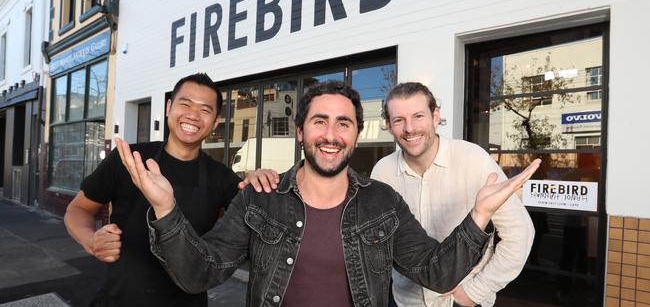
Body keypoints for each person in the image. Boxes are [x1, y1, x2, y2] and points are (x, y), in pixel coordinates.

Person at [115, 81, 540, 307]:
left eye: (344, 124)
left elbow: (436, 272)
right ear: (300, 132)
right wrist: (166, 208)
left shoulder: (383, 200)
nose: (331, 135)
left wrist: (479, 215)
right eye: (319, 122)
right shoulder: (259, 199)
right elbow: (198, 275)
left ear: (357, 135)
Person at [64, 73, 242, 306]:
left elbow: (250, 222)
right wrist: (91, 240)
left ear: (215, 122)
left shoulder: (223, 179)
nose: (192, 115)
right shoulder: (129, 159)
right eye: (185, 104)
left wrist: (260, 181)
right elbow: (78, 209)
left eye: (205, 110)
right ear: (169, 107)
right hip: (119, 299)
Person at [371, 82, 534, 307]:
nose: (409, 128)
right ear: (389, 126)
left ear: (435, 116)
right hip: (404, 301)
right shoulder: (383, 171)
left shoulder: (473, 159)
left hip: (461, 300)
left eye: (418, 116)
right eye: (399, 120)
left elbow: (520, 233)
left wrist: (476, 291)